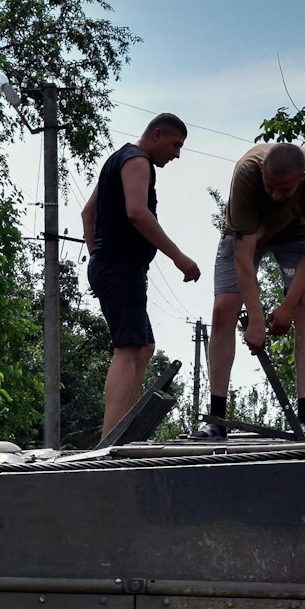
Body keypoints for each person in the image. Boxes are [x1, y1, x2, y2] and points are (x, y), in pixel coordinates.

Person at [201, 141, 305, 440]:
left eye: (285, 191)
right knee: (224, 308)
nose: (276, 195)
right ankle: (217, 419)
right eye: (270, 187)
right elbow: (243, 254)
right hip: (249, 235)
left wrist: (287, 307)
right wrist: (257, 318)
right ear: (262, 170)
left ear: (301, 178)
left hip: (299, 235)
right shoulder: (246, 173)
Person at [78, 113, 201, 440]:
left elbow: (87, 213)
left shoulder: (116, 160)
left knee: (144, 346)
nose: (176, 154)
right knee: (129, 348)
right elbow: (137, 212)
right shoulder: (137, 161)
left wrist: (96, 258)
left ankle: (122, 433)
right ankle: (108, 442)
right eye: (176, 145)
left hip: (114, 266)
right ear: (157, 134)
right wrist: (179, 257)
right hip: (119, 267)